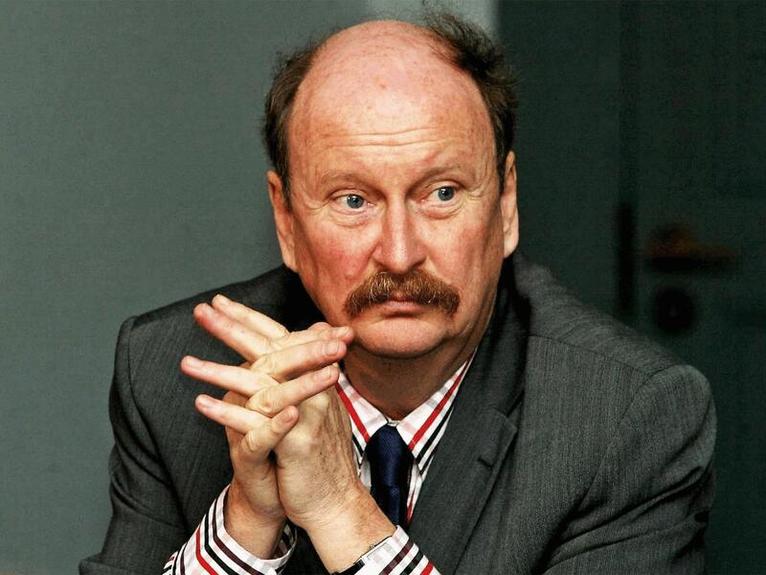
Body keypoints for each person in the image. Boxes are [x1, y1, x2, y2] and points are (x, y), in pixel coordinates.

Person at [80, 13, 715, 575]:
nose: (400, 252)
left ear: (506, 203)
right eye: (353, 200)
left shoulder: (624, 416)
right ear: (286, 221)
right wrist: (244, 525)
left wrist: (339, 507)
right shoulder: (174, 379)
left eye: (441, 193)